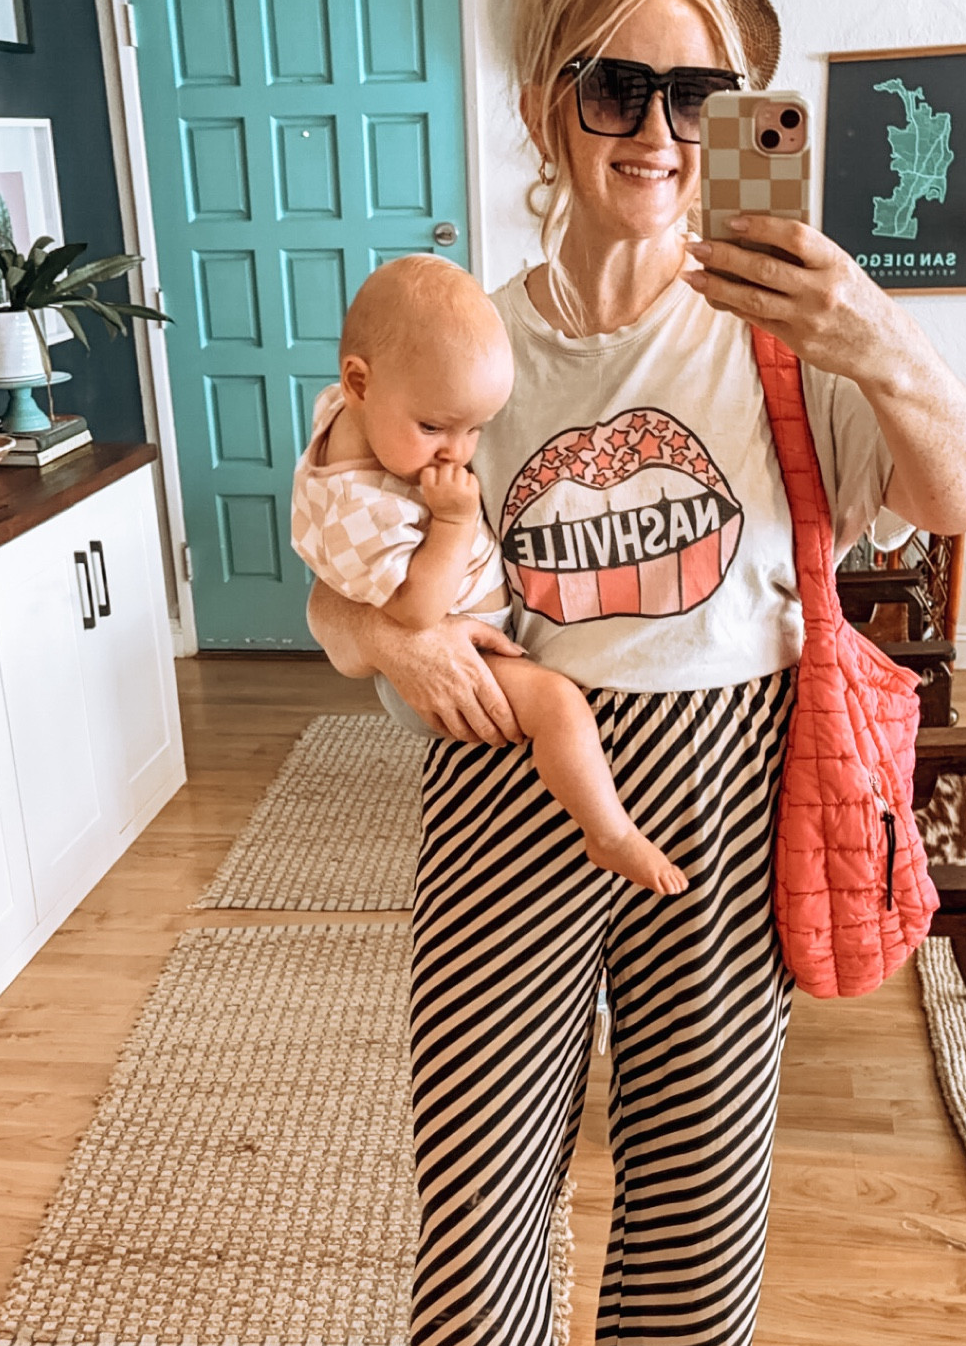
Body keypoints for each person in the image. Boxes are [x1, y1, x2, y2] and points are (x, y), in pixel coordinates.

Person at [309, 0, 966, 1346]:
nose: (662, 129)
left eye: (695, 93)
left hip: (725, 770)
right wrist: (391, 653)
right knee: (480, 1195)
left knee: (700, 1196)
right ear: (553, 104)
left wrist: (865, 323)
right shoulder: (466, 332)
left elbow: (961, 496)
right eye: (620, 87)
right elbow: (337, 580)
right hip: (506, 782)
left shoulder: (781, 324)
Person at [292, 255, 688, 893]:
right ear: (359, 383)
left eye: (476, 428)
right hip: (467, 657)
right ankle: (608, 831)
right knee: (558, 704)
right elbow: (417, 614)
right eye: (435, 427)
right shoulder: (367, 509)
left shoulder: (348, 413)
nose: (458, 451)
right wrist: (452, 522)